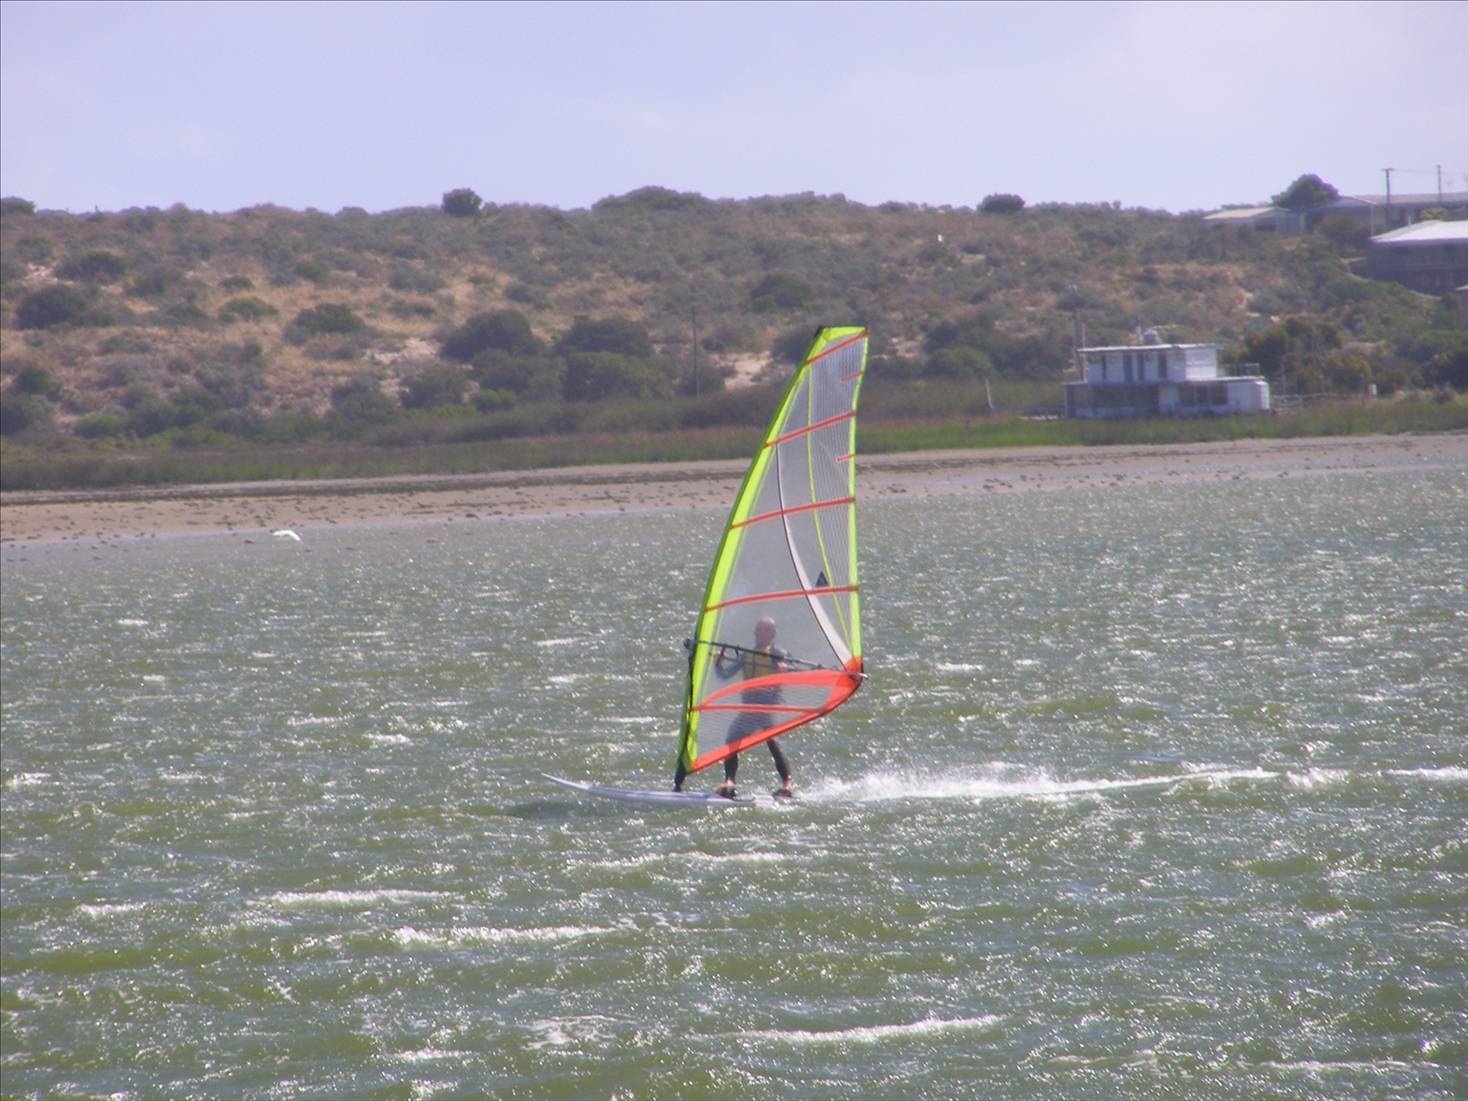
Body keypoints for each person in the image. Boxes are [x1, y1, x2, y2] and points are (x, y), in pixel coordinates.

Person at [712, 615, 795, 799]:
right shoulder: (746, 655)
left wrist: (785, 668)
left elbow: (792, 669)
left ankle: (787, 785)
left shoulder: (778, 653)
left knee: (772, 743)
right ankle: (730, 782)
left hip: (767, 707)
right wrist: (718, 663)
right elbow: (725, 675)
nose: (762, 633)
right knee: (732, 740)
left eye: (766, 630)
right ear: (755, 633)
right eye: (759, 630)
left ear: (773, 634)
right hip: (749, 708)